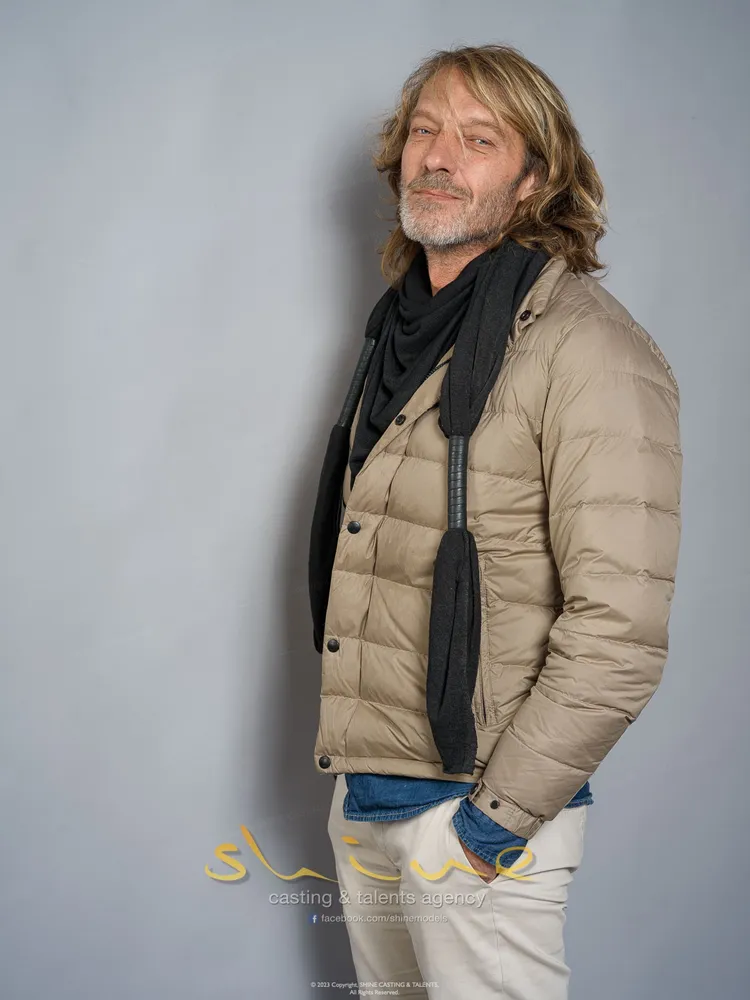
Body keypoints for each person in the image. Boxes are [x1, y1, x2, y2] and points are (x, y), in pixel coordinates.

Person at [307, 42, 682, 1000]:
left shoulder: (589, 349)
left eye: (480, 139)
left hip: (475, 818)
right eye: (424, 131)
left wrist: (490, 827)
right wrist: (359, 798)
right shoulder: (395, 330)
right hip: (369, 794)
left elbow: (620, 631)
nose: (439, 156)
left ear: (534, 180)